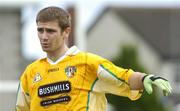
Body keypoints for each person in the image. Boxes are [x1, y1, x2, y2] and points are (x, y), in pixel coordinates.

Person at [15, 6, 172, 111]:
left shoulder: (88, 64)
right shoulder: (31, 72)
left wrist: (145, 78)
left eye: (50, 31)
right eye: (40, 30)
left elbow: (123, 76)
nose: (44, 37)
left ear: (66, 32)